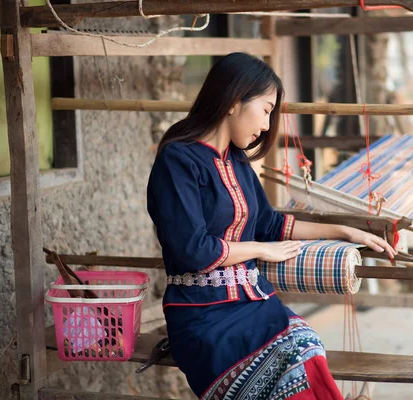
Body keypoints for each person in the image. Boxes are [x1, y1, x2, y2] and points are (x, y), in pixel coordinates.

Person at [147, 52, 396, 400]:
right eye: (265, 109)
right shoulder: (178, 160)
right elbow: (193, 250)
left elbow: (271, 224)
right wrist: (261, 250)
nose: (266, 125)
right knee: (292, 360)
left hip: (253, 304)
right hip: (200, 314)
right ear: (234, 101)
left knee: (304, 346)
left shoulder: (236, 162)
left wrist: (345, 232)